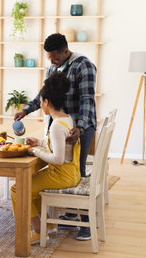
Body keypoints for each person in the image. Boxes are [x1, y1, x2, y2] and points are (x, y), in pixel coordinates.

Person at [14, 33, 97, 241]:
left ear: (65, 50)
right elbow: (44, 95)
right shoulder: (53, 68)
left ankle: (85, 223)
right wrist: (26, 110)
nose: (52, 62)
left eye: (55, 57)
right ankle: (69, 214)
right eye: (49, 58)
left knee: (78, 168)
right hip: (63, 124)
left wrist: (81, 127)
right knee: (66, 166)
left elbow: (87, 99)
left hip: (79, 126)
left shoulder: (83, 65)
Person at [10, 72, 81, 245]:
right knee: (31, 186)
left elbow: (57, 158)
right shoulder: (67, 119)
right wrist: (40, 142)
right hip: (71, 173)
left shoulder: (56, 126)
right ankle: (47, 226)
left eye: (41, 101)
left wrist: (35, 151)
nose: (40, 105)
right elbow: (60, 145)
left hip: (61, 174)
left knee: (17, 189)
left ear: (47, 102)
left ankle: (39, 231)